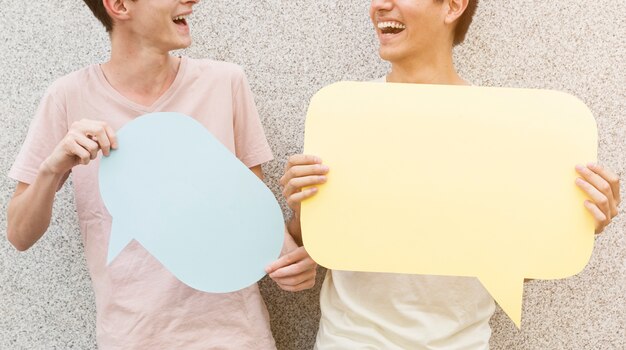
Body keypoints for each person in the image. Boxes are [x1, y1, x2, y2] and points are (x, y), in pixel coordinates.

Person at [272, 0, 622, 348]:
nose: (379, 5)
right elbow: (313, 245)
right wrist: (303, 209)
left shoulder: (504, 128)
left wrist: (575, 227)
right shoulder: (342, 116)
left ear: (453, 6)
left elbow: (508, 265)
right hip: (350, 341)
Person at [6, 0, 316, 348]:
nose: (193, 1)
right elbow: (19, 235)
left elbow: (251, 217)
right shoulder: (67, 96)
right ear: (119, 5)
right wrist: (52, 167)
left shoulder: (225, 83)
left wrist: (294, 261)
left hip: (236, 336)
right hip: (133, 338)